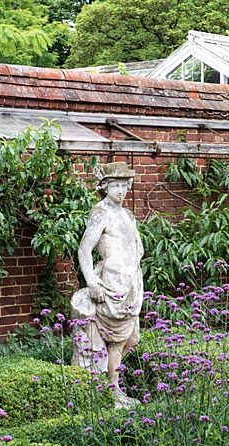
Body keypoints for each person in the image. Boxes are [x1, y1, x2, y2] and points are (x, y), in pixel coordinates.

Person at [71, 162, 143, 408]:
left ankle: (107, 383)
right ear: (105, 187)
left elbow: (137, 248)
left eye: (124, 185)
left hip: (130, 285)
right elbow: (84, 249)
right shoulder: (101, 211)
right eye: (116, 186)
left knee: (132, 340)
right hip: (111, 285)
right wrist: (92, 281)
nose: (121, 191)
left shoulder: (128, 215)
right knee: (118, 341)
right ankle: (113, 392)